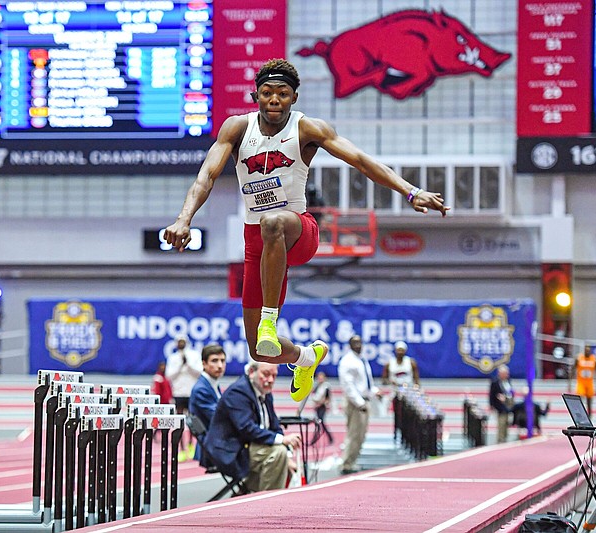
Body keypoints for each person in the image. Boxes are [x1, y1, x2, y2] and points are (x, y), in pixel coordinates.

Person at [164, 58, 449, 403]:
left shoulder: (306, 129)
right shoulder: (237, 129)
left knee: (272, 222)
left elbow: (360, 160)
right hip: (257, 242)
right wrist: (184, 218)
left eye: (282, 94)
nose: (274, 100)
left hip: (298, 231)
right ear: (256, 95)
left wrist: (410, 191)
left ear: (294, 97)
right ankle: (305, 357)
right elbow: (206, 176)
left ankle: (271, 319)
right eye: (267, 93)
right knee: (260, 350)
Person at [203, 360, 301, 492]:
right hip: (231, 451)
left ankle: (249, 495)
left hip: (250, 447)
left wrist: (289, 456)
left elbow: (274, 426)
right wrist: (282, 441)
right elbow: (247, 428)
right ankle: (267, 503)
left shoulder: (265, 391)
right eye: (266, 374)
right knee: (278, 454)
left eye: (274, 375)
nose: (270, 380)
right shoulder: (238, 392)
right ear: (251, 372)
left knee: (283, 457)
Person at [338, 335, 378, 474]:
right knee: (354, 434)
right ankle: (347, 463)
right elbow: (348, 385)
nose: (358, 345)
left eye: (360, 342)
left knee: (360, 434)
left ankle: (352, 461)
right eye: (355, 343)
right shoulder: (347, 361)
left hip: (363, 400)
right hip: (355, 403)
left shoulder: (361, 359)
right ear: (349, 345)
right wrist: (359, 403)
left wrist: (374, 392)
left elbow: (365, 383)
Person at [188, 344, 227, 467]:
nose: (220, 365)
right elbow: (219, 418)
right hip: (213, 449)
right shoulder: (201, 389)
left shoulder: (212, 384)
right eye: (215, 361)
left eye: (222, 361)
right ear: (204, 364)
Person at [165, 337, 201, 461]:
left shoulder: (194, 355)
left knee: (192, 421)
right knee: (178, 422)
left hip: (191, 392)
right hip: (178, 392)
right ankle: (180, 449)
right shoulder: (173, 358)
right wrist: (180, 365)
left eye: (183, 341)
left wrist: (188, 364)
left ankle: (191, 445)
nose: (181, 344)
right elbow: (169, 376)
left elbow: (199, 372)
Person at [489, 365, 514, 444]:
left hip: (508, 405)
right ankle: (500, 439)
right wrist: (492, 405)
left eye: (507, 373)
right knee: (501, 423)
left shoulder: (508, 381)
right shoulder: (495, 382)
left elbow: (511, 392)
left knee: (507, 422)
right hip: (499, 406)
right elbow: (491, 395)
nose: (506, 375)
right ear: (500, 374)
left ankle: (505, 437)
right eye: (505, 373)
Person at [309, 371, 333, 445]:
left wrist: (321, 403)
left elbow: (328, 399)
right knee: (320, 423)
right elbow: (314, 395)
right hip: (317, 407)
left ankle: (314, 440)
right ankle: (328, 438)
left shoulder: (326, 387)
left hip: (322, 407)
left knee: (320, 423)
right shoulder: (317, 386)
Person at [575, 347, 596, 417]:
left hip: (589, 383)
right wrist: (569, 383)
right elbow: (573, 369)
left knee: (589, 401)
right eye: (586, 350)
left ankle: (589, 417)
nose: (587, 352)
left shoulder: (594, 359)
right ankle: (580, 415)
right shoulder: (579, 358)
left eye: (588, 351)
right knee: (580, 399)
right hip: (581, 382)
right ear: (584, 351)